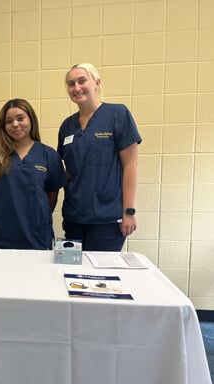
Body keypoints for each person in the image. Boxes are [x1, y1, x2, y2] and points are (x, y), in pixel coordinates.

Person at [57, 63, 142, 251]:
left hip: (107, 219)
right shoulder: (67, 126)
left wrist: (129, 212)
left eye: (82, 81)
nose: (76, 88)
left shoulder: (118, 114)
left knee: (99, 277)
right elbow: (68, 172)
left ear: (96, 82)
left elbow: (130, 165)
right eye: (71, 84)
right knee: (72, 274)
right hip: (74, 217)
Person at [0, 99, 65, 250]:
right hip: (0, 234)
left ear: (31, 120)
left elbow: (52, 194)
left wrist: (38, 216)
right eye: (9, 121)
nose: (15, 124)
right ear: (3, 126)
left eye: (20, 118)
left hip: (36, 234)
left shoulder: (48, 155)